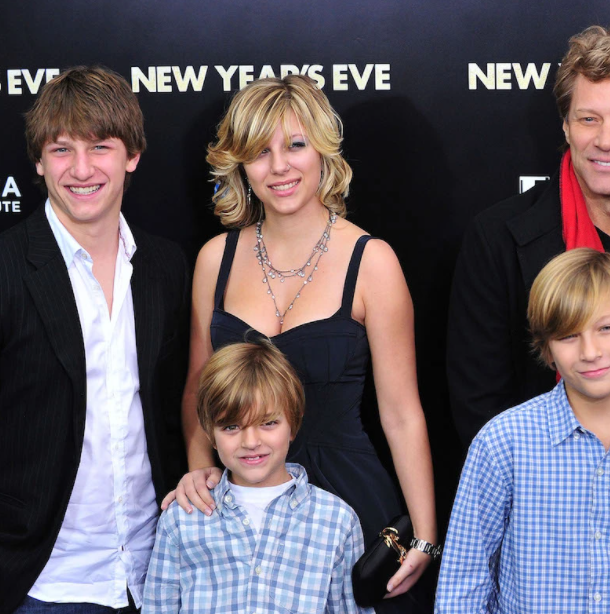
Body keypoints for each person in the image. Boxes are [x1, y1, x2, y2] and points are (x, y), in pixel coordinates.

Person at [166, 75, 437, 612]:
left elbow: (402, 413)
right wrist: (201, 470)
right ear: (240, 164)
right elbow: (199, 391)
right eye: (260, 152)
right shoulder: (214, 260)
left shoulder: (372, 262)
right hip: (242, 499)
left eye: (295, 145)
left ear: (323, 151)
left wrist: (425, 535)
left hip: (351, 505)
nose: (280, 167)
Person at [0, 66, 189, 614]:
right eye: (60, 150)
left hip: (159, 572)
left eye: (100, 146)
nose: (80, 170)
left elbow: (179, 408)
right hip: (45, 582)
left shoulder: (167, 267)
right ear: (37, 161)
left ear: (133, 154)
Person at [436, 248, 610, 613]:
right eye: (569, 336)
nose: (590, 351)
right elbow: (465, 579)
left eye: (606, 328)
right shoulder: (503, 443)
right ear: (547, 350)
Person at [447, 24, 610, 448]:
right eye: (588, 119)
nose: (606, 140)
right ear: (565, 126)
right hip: (537, 497)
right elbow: (479, 407)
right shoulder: (495, 238)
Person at [144, 340, 370, 613]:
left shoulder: (337, 521)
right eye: (231, 426)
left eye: (268, 423)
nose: (251, 441)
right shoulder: (182, 518)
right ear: (209, 434)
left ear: (293, 424)